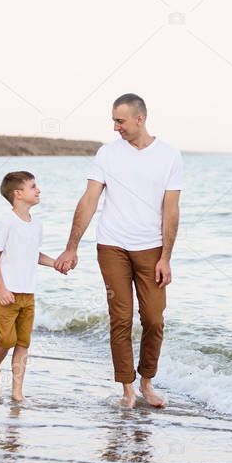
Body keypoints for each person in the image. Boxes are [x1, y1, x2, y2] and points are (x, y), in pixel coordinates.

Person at [55, 93, 182, 408]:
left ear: (140, 119)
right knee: (121, 317)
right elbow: (89, 201)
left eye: (120, 121)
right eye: (113, 120)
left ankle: (147, 382)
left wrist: (166, 257)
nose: (115, 127)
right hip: (112, 245)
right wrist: (71, 247)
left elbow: (171, 209)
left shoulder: (169, 156)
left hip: (151, 248)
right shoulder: (107, 154)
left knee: (154, 319)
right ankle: (127, 389)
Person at [0, 171, 63, 402]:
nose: (38, 190)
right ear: (18, 194)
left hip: (28, 293)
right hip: (5, 294)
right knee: (7, 341)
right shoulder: (7, 221)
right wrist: (1, 288)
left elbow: (33, 254)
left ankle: (17, 392)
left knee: (22, 344)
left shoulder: (36, 224)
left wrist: (55, 264)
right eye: (33, 187)